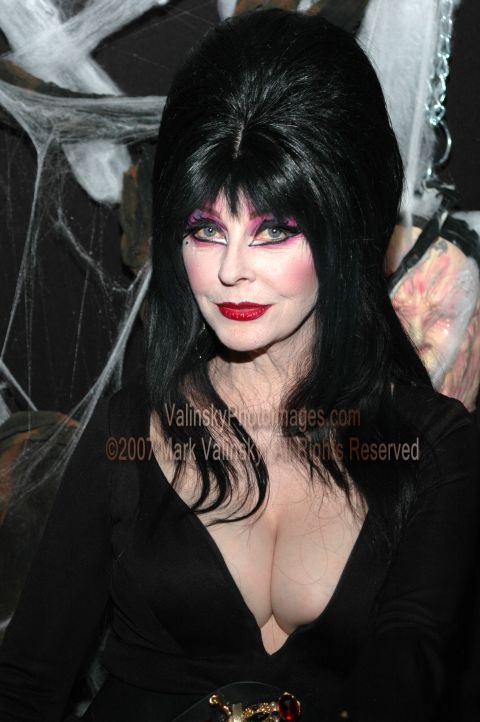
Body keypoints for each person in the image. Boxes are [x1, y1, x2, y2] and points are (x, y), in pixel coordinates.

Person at [0, 8, 478, 722]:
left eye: (273, 230)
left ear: (346, 224)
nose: (230, 270)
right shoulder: (127, 436)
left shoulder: (430, 449)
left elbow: (414, 668)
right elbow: (25, 686)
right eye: (204, 228)